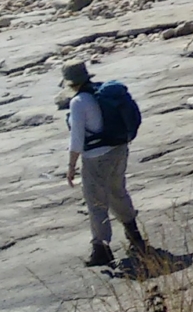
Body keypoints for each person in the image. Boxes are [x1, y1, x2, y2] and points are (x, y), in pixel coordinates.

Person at [62, 62, 146, 268]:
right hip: (119, 149)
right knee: (118, 191)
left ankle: (101, 249)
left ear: (70, 83)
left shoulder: (79, 102)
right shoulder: (100, 92)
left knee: (97, 202)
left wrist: (71, 166)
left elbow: (77, 139)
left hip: (96, 157)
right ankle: (135, 236)